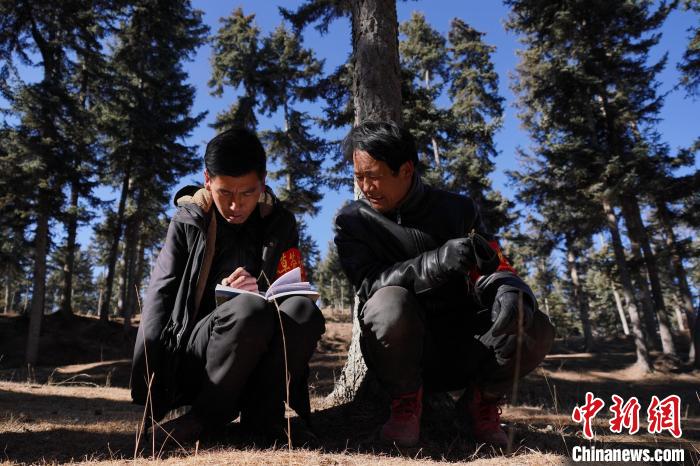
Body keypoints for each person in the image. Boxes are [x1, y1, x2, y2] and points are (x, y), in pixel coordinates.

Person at [334, 121, 554, 448]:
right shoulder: (354, 222)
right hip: (399, 352)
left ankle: (480, 404)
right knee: (386, 301)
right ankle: (406, 408)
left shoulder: (458, 210)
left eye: (373, 176)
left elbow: (493, 264)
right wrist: (435, 263)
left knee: (535, 324)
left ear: (406, 170)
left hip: (467, 344)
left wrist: (510, 289)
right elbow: (368, 283)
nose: (366, 187)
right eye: (358, 177)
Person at [130, 127, 325, 446]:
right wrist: (147, 387)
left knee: (303, 311)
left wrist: (259, 290)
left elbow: (291, 288)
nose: (236, 205)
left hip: (261, 353)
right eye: (225, 193)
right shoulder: (189, 221)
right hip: (197, 358)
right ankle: (202, 419)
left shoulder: (280, 223)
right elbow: (160, 296)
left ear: (263, 181)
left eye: (247, 193)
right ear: (208, 180)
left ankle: (265, 419)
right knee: (247, 308)